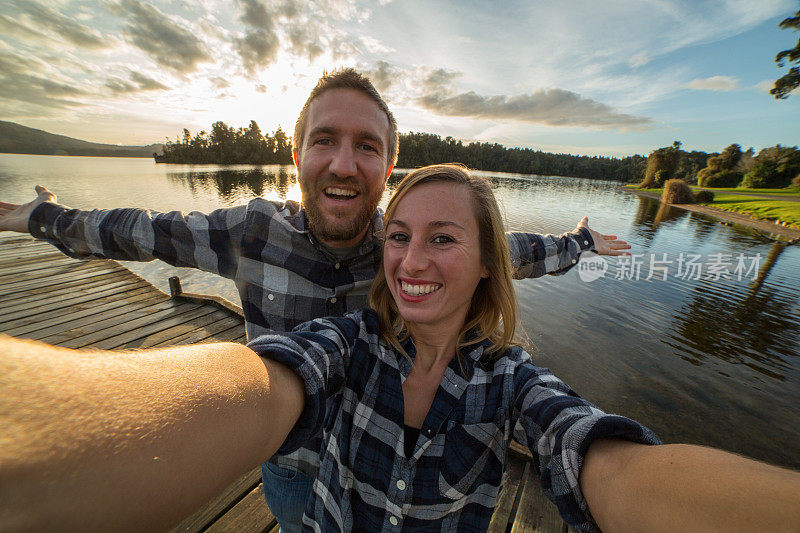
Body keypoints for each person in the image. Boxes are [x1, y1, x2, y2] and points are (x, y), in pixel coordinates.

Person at [2, 164, 798, 533]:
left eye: (440, 239)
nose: (411, 260)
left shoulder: (509, 377)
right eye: (403, 238)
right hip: (295, 479)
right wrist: (37, 218)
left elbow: (606, 461)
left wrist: (581, 242)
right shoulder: (340, 335)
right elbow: (269, 380)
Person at [0, 69, 632, 531]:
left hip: (376, 470)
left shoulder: (406, 247)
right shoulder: (250, 232)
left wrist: (579, 243)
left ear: (388, 168)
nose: (343, 163)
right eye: (324, 140)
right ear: (296, 152)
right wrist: (42, 217)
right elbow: (138, 230)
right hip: (288, 464)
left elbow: (506, 249)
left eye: (367, 146)